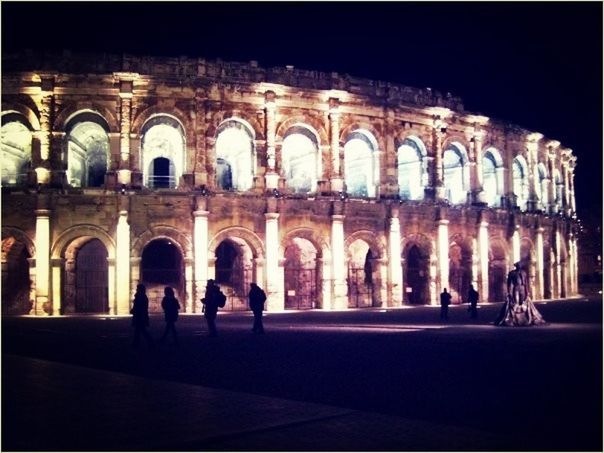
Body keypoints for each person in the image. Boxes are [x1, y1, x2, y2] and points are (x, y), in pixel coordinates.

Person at [131, 284, 153, 348]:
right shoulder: (141, 296)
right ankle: (136, 343)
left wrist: (134, 310)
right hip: (140, 315)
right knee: (139, 330)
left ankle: (150, 342)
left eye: (137, 288)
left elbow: (140, 306)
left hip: (140, 316)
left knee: (141, 330)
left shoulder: (140, 297)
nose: (136, 289)